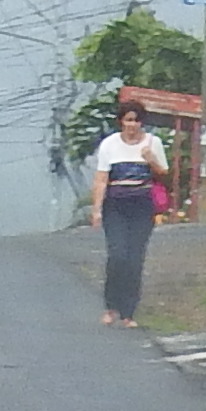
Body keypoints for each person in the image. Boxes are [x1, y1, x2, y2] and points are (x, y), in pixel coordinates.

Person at [83, 106, 172, 328]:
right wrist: (97, 210)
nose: (132, 125)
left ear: (142, 123)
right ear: (121, 121)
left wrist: (150, 159)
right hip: (116, 206)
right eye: (128, 120)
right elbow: (102, 179)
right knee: (118, 255)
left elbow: (163, 174)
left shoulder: (153, 143)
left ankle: (128, 313)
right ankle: (111, 306)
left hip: (142, 207)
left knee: (135, 259)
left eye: (136, 121)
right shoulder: (110, 145)